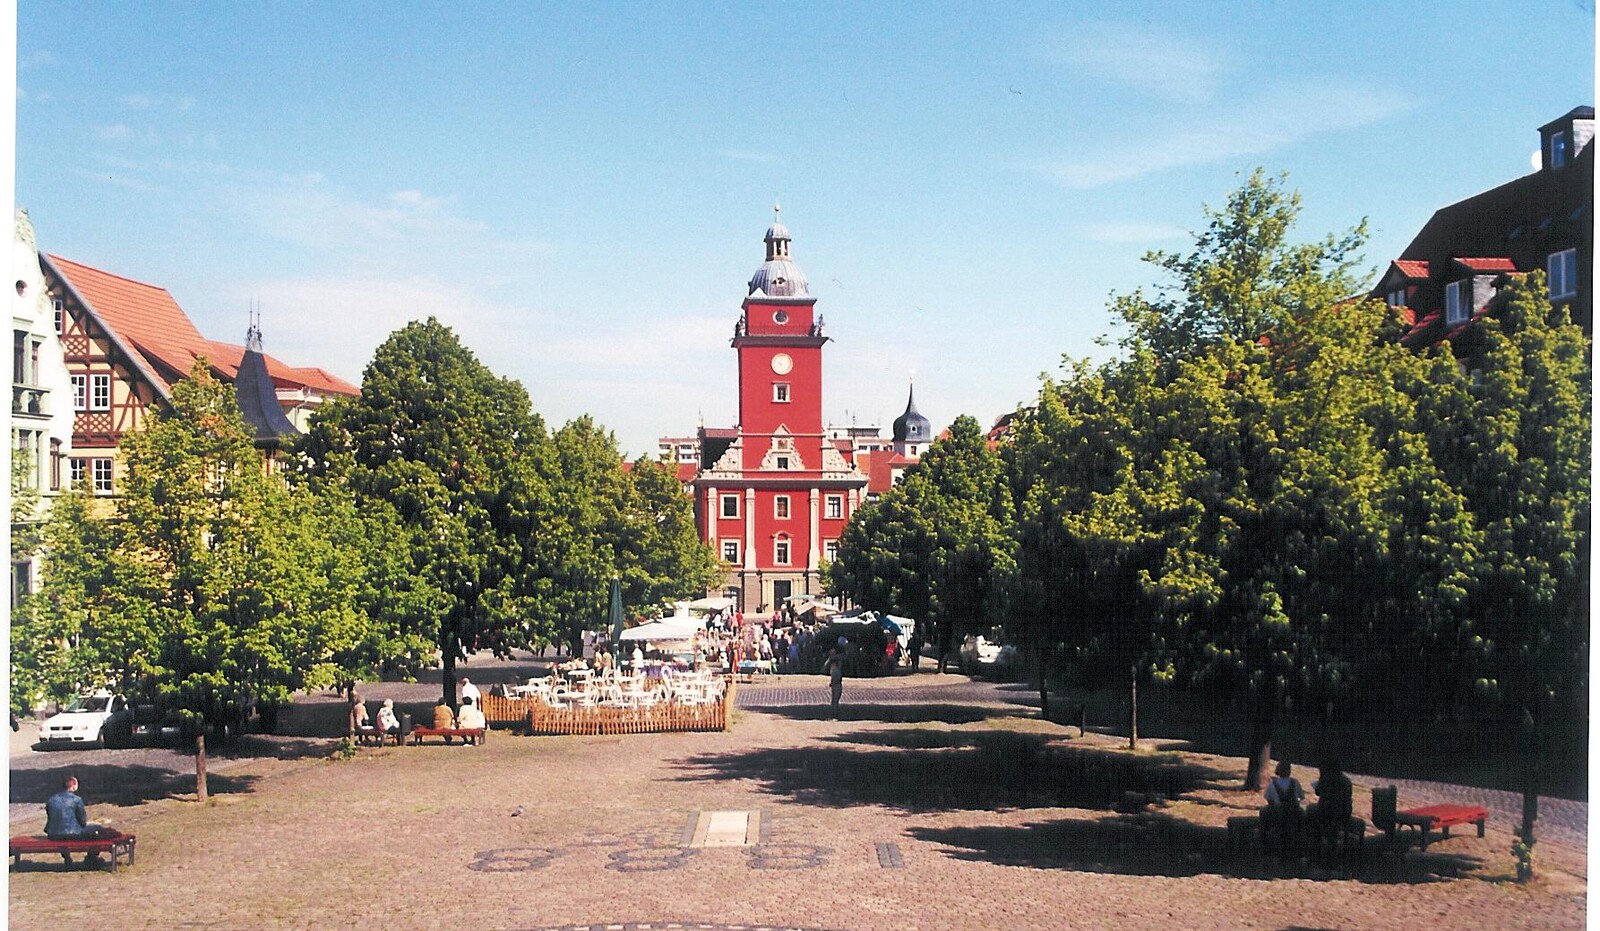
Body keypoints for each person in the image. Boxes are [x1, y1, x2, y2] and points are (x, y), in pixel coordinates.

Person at [45, 776, 111, 864]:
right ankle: (91, 857)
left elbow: (52, 817)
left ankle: (67, 857)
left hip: (53, 834)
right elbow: (82, 821)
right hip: (73, 833)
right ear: (74, 786)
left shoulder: (52, 799)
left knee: (62, 834)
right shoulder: (76, 800)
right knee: (97, 830)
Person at [1308, 759, 1354, 855]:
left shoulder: (1326, 779)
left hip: (1327, 811)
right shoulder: (1347, 781)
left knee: (1311, 811)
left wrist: (1321, 778)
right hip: (1343, 812)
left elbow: (1318, 792)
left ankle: (1315, 846)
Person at [1261, 760, 1305, 857]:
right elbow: (1301, 797)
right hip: (1293, 812)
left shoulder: (1273, 784)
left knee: (1263, 812)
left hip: (1278, 812)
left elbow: (1269, 799)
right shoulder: (1295, 783)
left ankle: (1263, 841)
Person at [827, 646, 845, 718]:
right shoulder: (835, 666)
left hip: (836, 683)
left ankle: (834, 713)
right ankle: (835, 713)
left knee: (835, 699)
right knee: (835, 699)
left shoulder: (834, 666)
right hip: (836, 684)